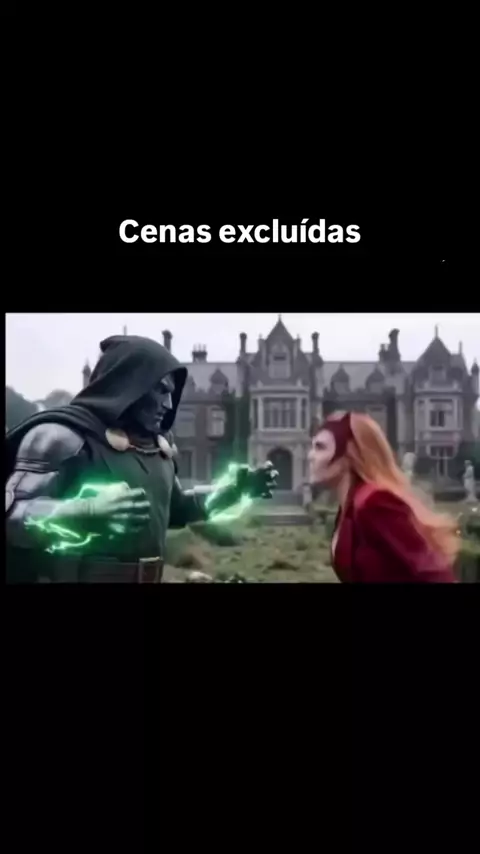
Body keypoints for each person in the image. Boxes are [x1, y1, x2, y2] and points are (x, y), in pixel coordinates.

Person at [5, 334, 278, 583]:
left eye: (171, 393)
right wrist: (86, 512)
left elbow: (176, 509)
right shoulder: (60, 438)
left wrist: (233, 492)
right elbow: (13, 516)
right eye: (160, 390)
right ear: (128, 383)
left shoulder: (157, 447)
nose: (168, 404)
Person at [308, 411, 459, 583]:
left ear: (349, 454)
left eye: (320, 447)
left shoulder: (374, 501)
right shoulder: (348, 507)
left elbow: (433, 572)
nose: (310, 456)